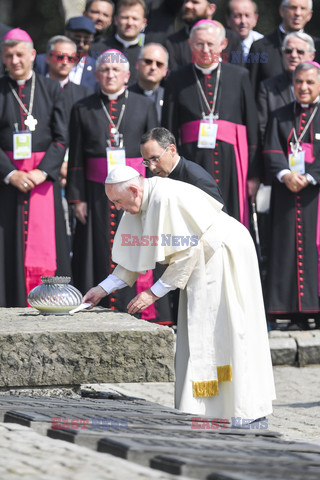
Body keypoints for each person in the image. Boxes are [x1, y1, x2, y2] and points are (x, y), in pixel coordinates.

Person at [83, 165, 275, 420]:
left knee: (227, 330)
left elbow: (190, 251)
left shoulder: (164, 197)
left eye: (117, 201)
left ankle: (241, 408)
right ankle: (210, 409)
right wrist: (101, 289)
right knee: (200, 329)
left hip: (222, 254)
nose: (117, 207)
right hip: (202, 260)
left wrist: (152, 293)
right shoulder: (138, 201)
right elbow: (133, 256)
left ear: (132, 190)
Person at [66, 50, 171, 324]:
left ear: (127, 75)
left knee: (139, 242)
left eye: (116, 70)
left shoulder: (143, 104)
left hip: (137, 192)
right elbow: (76, 156)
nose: (110, 75)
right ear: (97, 74)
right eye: (105, 70)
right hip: (95, 192)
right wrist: (77, 198)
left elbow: (153, 150)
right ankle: (99, 305)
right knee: (98, 247)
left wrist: (154, 184)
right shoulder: (82, 107)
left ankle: (141, 309)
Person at [162, 20, 259, 226]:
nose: (205, 50)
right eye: (199, 44)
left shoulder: (239, 76)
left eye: (210, 44)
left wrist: (253, 174)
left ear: (222, 44)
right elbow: (168, 129)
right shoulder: (176, 79)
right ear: (190, 45)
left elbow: (252, 127)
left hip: (232, 164)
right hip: (192, 162)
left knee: (231, 222)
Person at [0, 28, 70, 306]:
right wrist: (10, 173)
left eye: (20, 54)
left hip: (43, 179)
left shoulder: (51, 88)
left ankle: (50, 301)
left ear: (32, 55)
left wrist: (42, 172)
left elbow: (62, 137)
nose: (15, 60)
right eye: (8, 55)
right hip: (8, 183)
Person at [263, 61, 320, 329]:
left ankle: (314, 309)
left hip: (315, 195)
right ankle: (285, 310)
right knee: (285, 249)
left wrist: (309, 176)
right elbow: (271, 150)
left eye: (310, 82)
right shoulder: (280, 114)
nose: (304, 87)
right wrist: (286, 174)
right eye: (299, 82)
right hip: (286, 193)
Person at [248, 0, 320, 99]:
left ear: (309, 15)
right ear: (282, 10)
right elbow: (251, 90)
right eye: (293, 7)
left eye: (303, 8)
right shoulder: (259, 47)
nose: (298, 13)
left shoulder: (317, 46)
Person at [140, 127, 224, 205]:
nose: (151, 167)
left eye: (155, 159)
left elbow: (221, 218)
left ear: (172, 150)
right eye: (147, 162)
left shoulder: (197, 180)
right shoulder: (160, 178)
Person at [258, 32, 315, 145]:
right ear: (282, 54)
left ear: (311, 56)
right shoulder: (268, 86)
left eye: (300, 51)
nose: (293, 55)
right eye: (288, 51)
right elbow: (261, 128)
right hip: (278, 152)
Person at [165, 0, 242, 70]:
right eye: (186, 1)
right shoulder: (173, 43)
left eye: (195, 2)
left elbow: (238, 76)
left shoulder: (232, 39)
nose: (187, 5)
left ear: (211, 9)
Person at [103, 0, 147, 85]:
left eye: (135, 18)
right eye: (125, 17)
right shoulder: (97, 49)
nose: (129, 23)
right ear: (115, 19)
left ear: (143, 23)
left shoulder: (146, 57)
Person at [129, 43, 168, 122]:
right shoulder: (126, 96)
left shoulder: (169, 99)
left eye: (159, 64)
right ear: (137, 64)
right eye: (148, 61)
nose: (153, 67)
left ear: (165, 70)